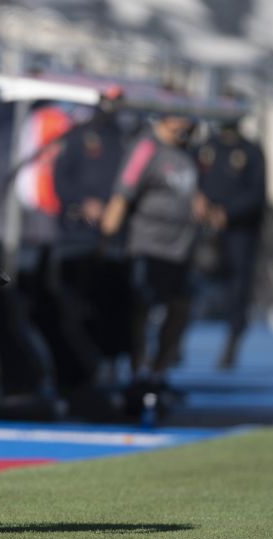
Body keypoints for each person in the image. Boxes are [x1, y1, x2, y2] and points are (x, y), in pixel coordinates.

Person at [101, 112, 205, 394]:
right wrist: (107, 232)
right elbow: (124, 190)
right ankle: (138, 372)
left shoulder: (186, 152)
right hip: (149, 245)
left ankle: (159, 370)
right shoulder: (146, 147)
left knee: (180, 309)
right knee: (142, 308)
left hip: (181, 248)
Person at [195, 117, 266, 369]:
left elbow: (257, 194)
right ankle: (175, 346)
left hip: (239, 232)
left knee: (238, 289)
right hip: (205, 230)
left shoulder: (250, 150)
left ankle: (232, 342)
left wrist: (228, 214)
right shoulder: (206, 147)